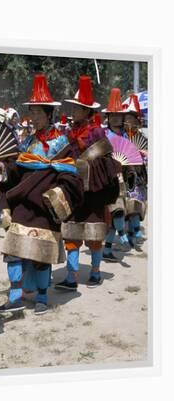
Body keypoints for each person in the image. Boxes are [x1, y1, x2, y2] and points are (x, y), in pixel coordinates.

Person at [0, 74, 84, 315]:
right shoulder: (27, 143)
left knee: (41, 256)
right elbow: (18, 169)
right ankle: (15, 294)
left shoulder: (63, 143)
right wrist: (4, 167)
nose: (32, 117)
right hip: (24, 205)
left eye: (36, 112)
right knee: (13, 249)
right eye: (31, 112)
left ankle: (43, 297)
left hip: (46, 207)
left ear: (48, 114)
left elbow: (71, 175)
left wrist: (57, 194)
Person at [55, 76, 121, 291]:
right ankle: (72, 277)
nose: (74, 111)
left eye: (78, 108)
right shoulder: (69, 132)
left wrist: (87, 167)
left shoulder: (98, 132)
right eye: (73, 108)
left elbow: (105, 160)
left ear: (87, 111)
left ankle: (95, 272)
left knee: (93, 235)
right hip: (74, 190)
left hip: (94, 191)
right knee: (72, 233)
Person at [101, 88, 131, 262]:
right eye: (112, 115)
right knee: (117, 208)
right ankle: (123, 235)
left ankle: (106, 250)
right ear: (108, 117)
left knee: (116, 214)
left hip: (122, 177)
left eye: (118, 116)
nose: (115, 118)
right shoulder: (104, 134)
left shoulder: (126, 135)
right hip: (109, 177)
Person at [123, 93, 148, 248]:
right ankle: (128, 234)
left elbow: (147, 155)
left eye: (131, 117)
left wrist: (142, 157)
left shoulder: (142, 137)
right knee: (126, 206)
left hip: (138, 176)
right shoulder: (121, 136)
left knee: (136, 204)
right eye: (126, 117)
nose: (128, 120)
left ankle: (134, 232)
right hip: (125, 176)